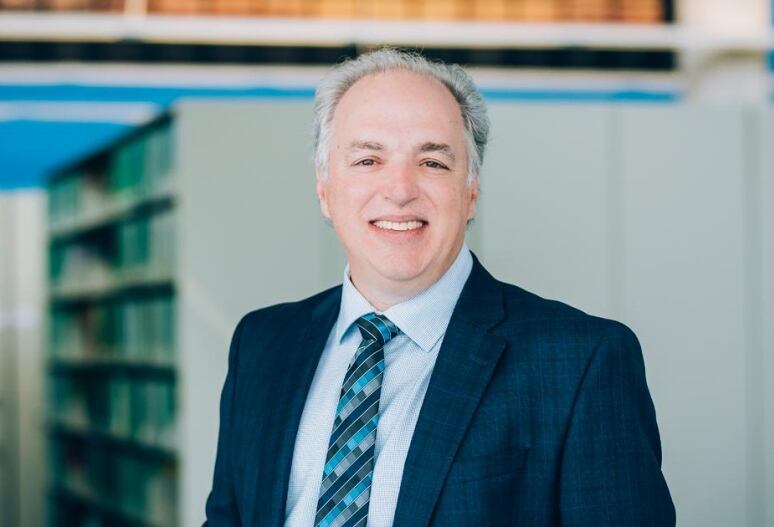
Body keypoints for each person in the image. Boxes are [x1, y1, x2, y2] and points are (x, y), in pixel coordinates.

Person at [204, 48, 675, 527]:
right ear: (325, 191)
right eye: (368, 160)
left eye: (432, 162)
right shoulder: (262, 344)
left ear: (470, 191)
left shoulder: (581, 362)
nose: (400, 189)